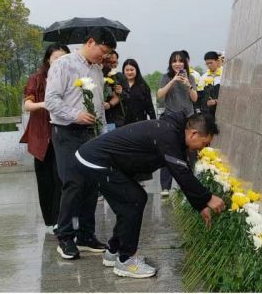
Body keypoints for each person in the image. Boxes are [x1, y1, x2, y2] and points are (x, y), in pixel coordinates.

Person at [64, 111, 225, 278]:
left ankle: (115, 250)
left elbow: (182, 170)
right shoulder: (168, 135)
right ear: (194, 133)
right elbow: (181, 173)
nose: (203, 148)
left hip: (97, 159)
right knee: (133, 200)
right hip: (95, 160)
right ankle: (125, 260)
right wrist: (207, 198)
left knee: (133, 199)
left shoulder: (172, 132)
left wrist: (200, 204)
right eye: (204, 143)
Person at [45, 26, 117, 260]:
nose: (103, 58)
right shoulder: (63, 64)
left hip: (91, 133)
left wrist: (103, 131)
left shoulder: (96, 70)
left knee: (91, 184)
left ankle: (86, 235)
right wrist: (75, 114)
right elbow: (51, 101)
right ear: (91, 42)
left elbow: (97, 103)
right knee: (73, 183)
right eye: (103, 52)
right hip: (67, 131)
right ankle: (65, 237)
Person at [20, 43, 71, 234]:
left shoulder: (70, 78)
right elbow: (28, 105)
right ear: (48, 60)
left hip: (63, 134)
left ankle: (60, 219)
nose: (60, 61)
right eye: (56, 58)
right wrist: (47, 103)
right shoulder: (37, 79)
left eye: (64, 58)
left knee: (62, 178)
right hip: (41, 135)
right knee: (45, 180)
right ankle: (50, 220)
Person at [157, 51, 198, 196]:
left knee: (189, 152)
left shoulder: (191, 77)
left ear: (185, 63)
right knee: (168, 151)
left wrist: (188, 85)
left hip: (188, 118)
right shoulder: (165, 77)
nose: (177, 63)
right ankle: (165, 187)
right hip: (170, 117)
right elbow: (160, 95)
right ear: (170, 63)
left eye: (180, 61)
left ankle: (188, 185)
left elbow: (194, 98)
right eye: (174, 61)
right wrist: (173, 81)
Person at [121, 59, 156, 125]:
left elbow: (150, 106)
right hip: (123, 123)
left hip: (140, 122)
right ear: (123, 71)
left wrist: (154, 123)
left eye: (132, 70)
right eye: (127, 70)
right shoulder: (119, 85)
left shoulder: (143, 86)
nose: (129, 72)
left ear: (136, 70)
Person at [103, 50, 127, 132]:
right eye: (110, 62)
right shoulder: (98, 76)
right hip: (102, 117)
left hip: (117, 118)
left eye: (115, 61)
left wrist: (121, 92)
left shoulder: (120, 77)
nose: (113, 64)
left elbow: (128, 95)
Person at [198, 51, 223, 118]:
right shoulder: (203, 77)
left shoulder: (225, 74)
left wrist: (216, 101)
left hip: (223, 112)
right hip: (208, 113)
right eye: (207, 64)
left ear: (217, 61)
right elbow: (200, 97)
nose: (209, 65)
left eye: (211, 63)